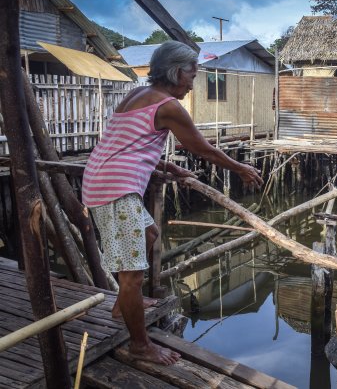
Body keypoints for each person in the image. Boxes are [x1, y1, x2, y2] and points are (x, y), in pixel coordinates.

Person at [82, 41, 263, 364]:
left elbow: (128, 145)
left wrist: (165, 166)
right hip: (115, 190)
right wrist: (240, 168)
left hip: (104, 180)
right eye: (191, 75)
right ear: (176, 71)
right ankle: (141, 345)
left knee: (149, 235)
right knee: (132, 275)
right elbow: (203, 149)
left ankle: (122, 303)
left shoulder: (136, 94)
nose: (193, 83)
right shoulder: (168, 106)